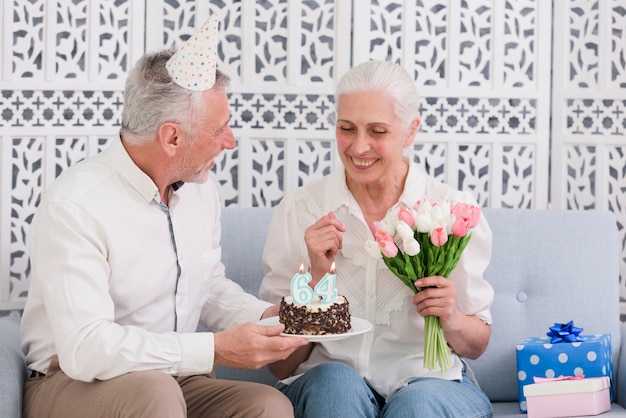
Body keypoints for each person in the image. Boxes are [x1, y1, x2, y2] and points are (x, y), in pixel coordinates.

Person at [20, 15, 308, 418]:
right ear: (172, 137)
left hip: (172, 378)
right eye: (219, 129)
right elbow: (86, 350)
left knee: (268, 405)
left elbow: (206, 287)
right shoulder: (75, 206)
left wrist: (266, 318)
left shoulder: (202, 192)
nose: (230, 141)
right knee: (155, 393)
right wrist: (214, 348)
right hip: (72, 381)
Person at [259, 60, 494, 418]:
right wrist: (315, 282)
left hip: (431, 385)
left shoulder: (451, 210)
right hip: (328, 386)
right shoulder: (301, 210)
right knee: (336, 387)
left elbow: (477, 345)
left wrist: (452, 316)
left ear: (410, 131)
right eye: (347, 128)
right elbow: (281, 367)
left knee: (416, 406)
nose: (359, 146)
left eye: (378, 131)